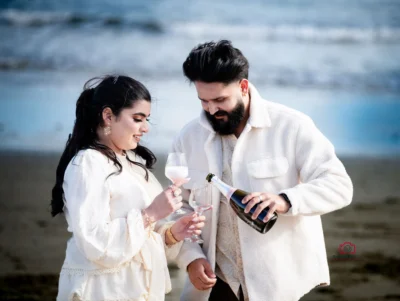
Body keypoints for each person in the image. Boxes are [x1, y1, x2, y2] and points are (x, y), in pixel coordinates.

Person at [170, 40, 353, 301]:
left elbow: (339, 185)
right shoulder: (188, 137)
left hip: (276, 282)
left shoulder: (293, 126)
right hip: (213, 283)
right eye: (204, 101)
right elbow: (179, 206)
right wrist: (191, 257)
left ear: (243, 87)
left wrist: (284, 200)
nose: (212, 110)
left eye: (220, 100)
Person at [50, 75, 205, 301]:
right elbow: (94, 243)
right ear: (108, 116)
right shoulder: (88, 164)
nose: (146, 128)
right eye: (138, 118)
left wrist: (172, 234)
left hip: (134, 288)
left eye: (147, 119)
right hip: (103, 290)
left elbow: (139, 243)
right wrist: (150, 213)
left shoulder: (132, 162)